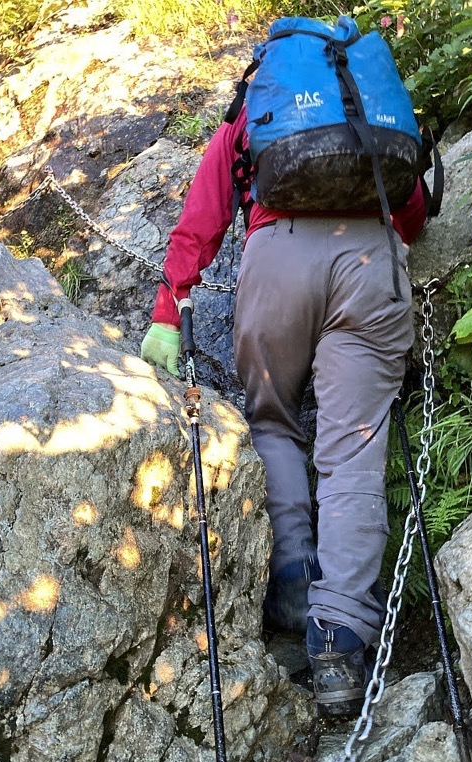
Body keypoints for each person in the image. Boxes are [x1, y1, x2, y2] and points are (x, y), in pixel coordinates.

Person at [140, 96, 426, 716]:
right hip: (370, 261)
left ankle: (295, 577)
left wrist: (170, 309)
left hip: (274, 264)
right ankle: (339, 641)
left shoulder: (256, 107)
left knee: (272, 420)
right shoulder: (365, 102)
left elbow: (204, 212)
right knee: (353, 450)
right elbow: (411, 207)